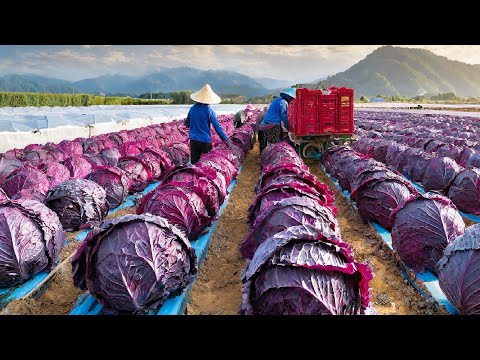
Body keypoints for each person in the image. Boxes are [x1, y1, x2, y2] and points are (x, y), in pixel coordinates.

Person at [184, 84, 233, 164]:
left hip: (193, 141)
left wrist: (189, 122)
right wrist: (226, 141)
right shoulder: (209, 111)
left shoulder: (192, 109)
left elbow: (187, 124)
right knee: (205, 164)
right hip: (205, 141)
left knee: (195, 165)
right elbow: (217, 128)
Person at [258, 88, 296, 152]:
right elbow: (284, 117)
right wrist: (289, 128)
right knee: (276, 146)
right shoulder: (284, 103)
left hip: (263, 125)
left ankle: (263, 158)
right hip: (272, 126)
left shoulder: (276, 100)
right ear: (290, 97)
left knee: (264, 145)